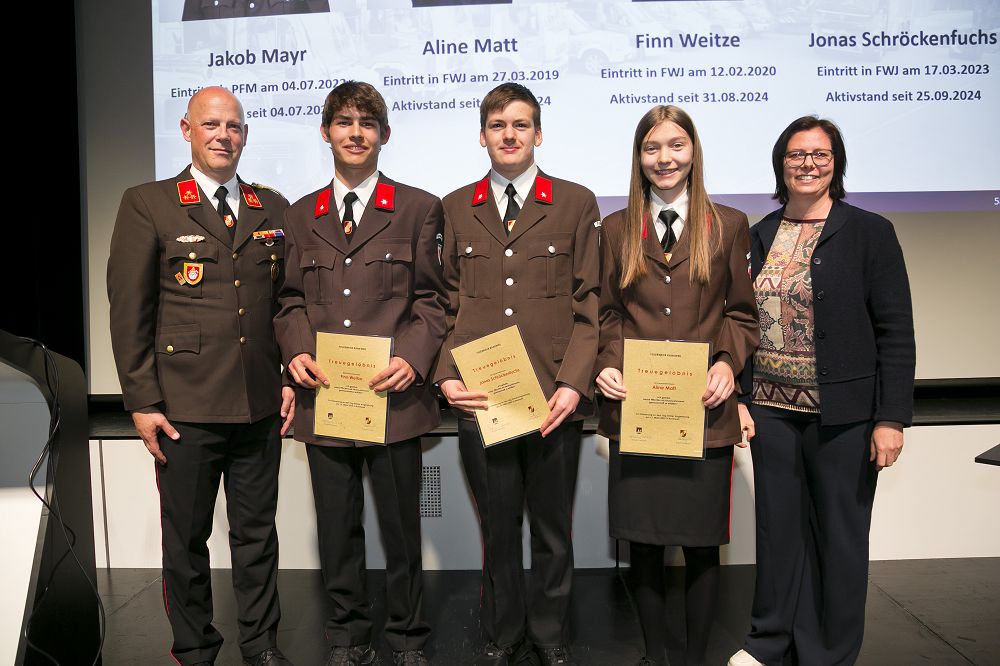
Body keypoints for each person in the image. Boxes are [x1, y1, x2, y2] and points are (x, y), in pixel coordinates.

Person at [107, 86, 295, 666]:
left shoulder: (272, 208)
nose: (223, 136)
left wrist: (289, 377)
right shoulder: (149, 204)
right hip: (183, 408)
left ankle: (261, 644)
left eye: (233, 126)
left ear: (245, 135)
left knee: (257, 536)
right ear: (187, 130)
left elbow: (286, 305)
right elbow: (129, 310)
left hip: (258, 403)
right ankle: (194, 648)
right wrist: (141, 400)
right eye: (211, 125)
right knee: (186, 540)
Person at [728, 116, 915, 666]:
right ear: (780, 164)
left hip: (847, 416)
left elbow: (895, 330)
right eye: (796, 154)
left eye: (820, 154)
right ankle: (768, 642)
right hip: (771, 412)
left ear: (836, 163)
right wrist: (740, 398)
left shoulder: (870, 232)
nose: (807, 164)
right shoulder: (760, 233)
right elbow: (739, 321)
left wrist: (891, 418)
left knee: (839, 538)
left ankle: (827, 652)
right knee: (778, 535)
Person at [273, 81, 447, 666]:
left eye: (367, 123)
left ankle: (407, 636)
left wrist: (413, 358)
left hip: (394, 401)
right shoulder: (300, 215)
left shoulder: (419, 208)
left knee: (401, 530)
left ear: (384, 134)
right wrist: (297, 351)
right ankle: (347, 635)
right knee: (337, 529)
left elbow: (433, 300)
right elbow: (290, 301)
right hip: (325, 397)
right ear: (326, 132)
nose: (355, 133)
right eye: (344, 122)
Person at [433, 82, 601, 666]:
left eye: (521, 124)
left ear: (538, 134)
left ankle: (550, 634)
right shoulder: (455, 206)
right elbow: (444, 302)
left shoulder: (575, 203)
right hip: (483, 399)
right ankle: (503, 634)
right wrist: (445, 375)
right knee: (499, 529)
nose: (509, 135)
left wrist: (574, 383)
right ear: (482, 136)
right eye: (498, 125)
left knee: (553, 530)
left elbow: (590, 303)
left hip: (554, 398)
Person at [594, 105, 759, 666]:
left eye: (676, 145)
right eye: (652, 147)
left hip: (704, 410)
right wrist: (607, 362)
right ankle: (656, 655)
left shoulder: (729, 224)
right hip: (637, 410)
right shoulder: (615, 228)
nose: (664, 158)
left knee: (701, 543)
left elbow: (742, 314)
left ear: (694, 152)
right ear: (639, 157)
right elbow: (607, 313)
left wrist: (726, 363)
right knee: (642, 541)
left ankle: (694, 659)